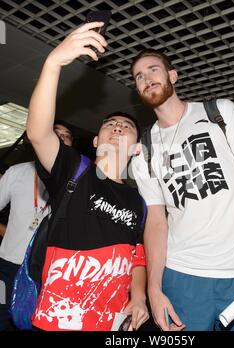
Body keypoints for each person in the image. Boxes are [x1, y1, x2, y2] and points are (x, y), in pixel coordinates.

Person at [130, 49, 234, 331]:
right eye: (139, 76)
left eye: (153, 69)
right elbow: (155, 221)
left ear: (172, 76)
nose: (146, 78)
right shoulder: (144, 151)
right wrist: (153, 287)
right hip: (182, 278)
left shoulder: (219, 112)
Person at [26, 21, 149, 331]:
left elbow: (137, 256)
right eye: (110, 124)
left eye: (127, 127)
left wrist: (139, 297)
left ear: (136, 149)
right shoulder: (74, 169)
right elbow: (39, 133)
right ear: (95, 141)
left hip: (112, 323)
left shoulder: (139, 201)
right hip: (59, 321)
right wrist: (53, 62)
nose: (118, 127)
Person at [0, 123, 73, 330]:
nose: (60, 138)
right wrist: (5, 232)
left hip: (51, 273)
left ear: (71, 146)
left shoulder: (79, 183)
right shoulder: (17, 172)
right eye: (55, 133)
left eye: (66, 136)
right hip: (7, 266)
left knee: (36, 324)